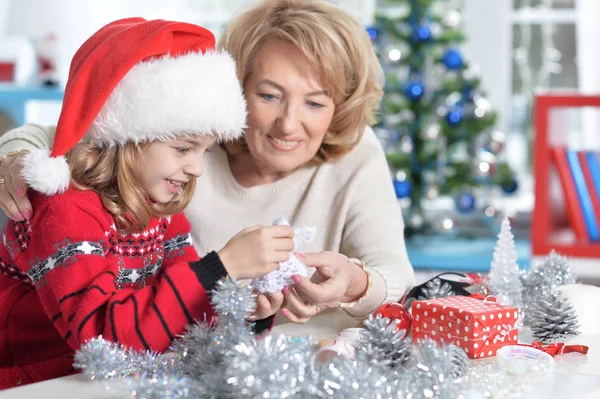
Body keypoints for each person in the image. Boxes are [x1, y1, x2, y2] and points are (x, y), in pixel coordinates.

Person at [0, 0, 416, 335]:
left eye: (315, 102)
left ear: (339, 106)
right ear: (236, 89)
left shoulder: (174, 183)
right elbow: (77, 126)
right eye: (269, 95)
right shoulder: (179, 137)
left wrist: (250, 309)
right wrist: (21, 163)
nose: (289, 124)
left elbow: (395, 274)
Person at [0, 18, 295, 389]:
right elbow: (99, 343)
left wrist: (241, 310)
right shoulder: (65, 210)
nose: (197, 168)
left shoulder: (157, 206)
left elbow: (177, 314)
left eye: (204, 150)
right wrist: (221, 267)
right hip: (32, 383)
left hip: (103, 383)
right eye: (183, 148)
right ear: (124, 137)